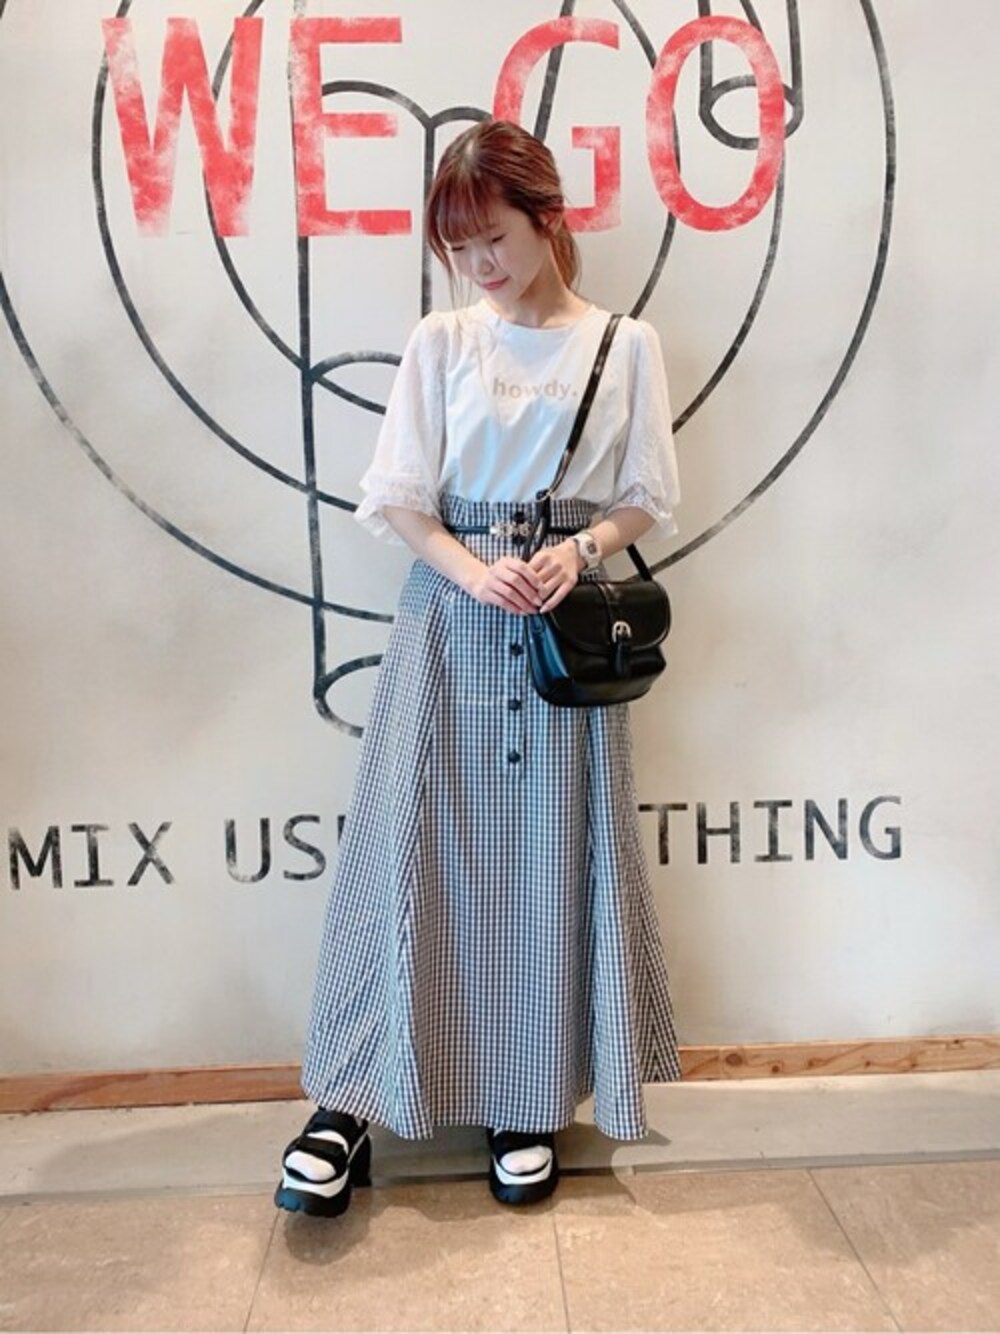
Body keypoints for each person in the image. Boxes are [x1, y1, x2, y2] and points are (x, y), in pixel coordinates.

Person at [275, 118, 682, 1218]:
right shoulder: (442, 342)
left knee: (551, 860)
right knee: (405, 853)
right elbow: (399, 498)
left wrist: (579, 551)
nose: (479, 264)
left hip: (563, 638)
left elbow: (645, 494)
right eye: (459, 248)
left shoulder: (624, 345)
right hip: (450, 626)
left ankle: (526, 1098)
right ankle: (346, 1102)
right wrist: (472, 570)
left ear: (548, 219)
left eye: (493, 237)